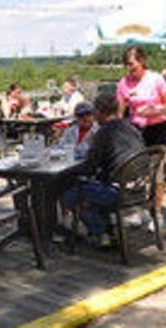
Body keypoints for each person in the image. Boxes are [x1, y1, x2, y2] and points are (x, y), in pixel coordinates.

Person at [59, 93, 145, 247]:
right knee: (91, 189)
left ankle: (101, 230)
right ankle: (106, 229)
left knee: (68, 195)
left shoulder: (103, 133)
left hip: (118, 191)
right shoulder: (130, 127)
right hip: (140, 187)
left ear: (98, 112)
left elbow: (90, 168)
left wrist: (66, 172)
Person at [116, 46, 166, 232]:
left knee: (157, 173)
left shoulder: (156, 79)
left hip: (157, 129)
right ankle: (140, 210)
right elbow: (120, 111)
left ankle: (157, 212)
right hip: (136, 131)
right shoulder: (124, 83)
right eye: (127, 65)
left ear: (142, 61)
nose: (129, 68)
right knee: (136, 173)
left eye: (132, 64)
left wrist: (156, 110)